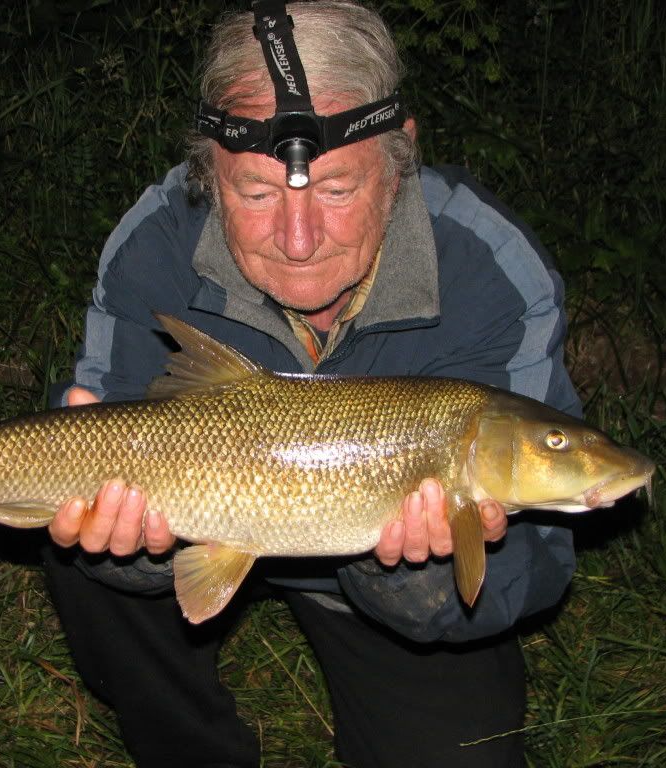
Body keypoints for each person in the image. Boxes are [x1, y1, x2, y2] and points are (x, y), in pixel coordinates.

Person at [43, 2, 581, 766]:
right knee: (78, 537)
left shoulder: (493, 272)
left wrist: (414, 578)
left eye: (335, 191)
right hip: (201, 526)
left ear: (399, 163)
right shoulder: (155, 241)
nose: (298, 241)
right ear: (208, 172)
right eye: (256, 195)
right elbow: (98, 417)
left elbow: (538, 569)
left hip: (372, 578)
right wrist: (124, 548)